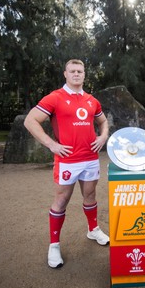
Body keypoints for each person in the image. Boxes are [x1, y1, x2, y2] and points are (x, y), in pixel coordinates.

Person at [24, 59, 109, 269]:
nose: (77, 74)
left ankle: (93, 229)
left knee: (90, 195)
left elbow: (103, 121)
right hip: (67, 161)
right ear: (65, 74)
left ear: (84, 74)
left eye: (80, 71)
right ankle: (54, 245)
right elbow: (30, 121)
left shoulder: (91, 100)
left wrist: (103, 137)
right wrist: (51, 144)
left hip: (90, 158)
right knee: (61, 200)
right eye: (73, 71)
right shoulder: (55, 97)